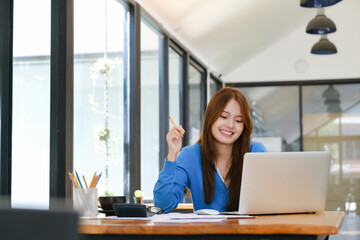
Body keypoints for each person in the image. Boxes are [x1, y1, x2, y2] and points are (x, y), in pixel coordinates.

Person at [153, 87, 266, 213]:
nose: (230, 125)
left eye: (238, 120)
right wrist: (172, 154)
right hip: (206, 232)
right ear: (210, 118)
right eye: (223, 117)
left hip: (249, 231)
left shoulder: (255, 151)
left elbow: (269, 198)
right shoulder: (190, 155)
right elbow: (163, 204)